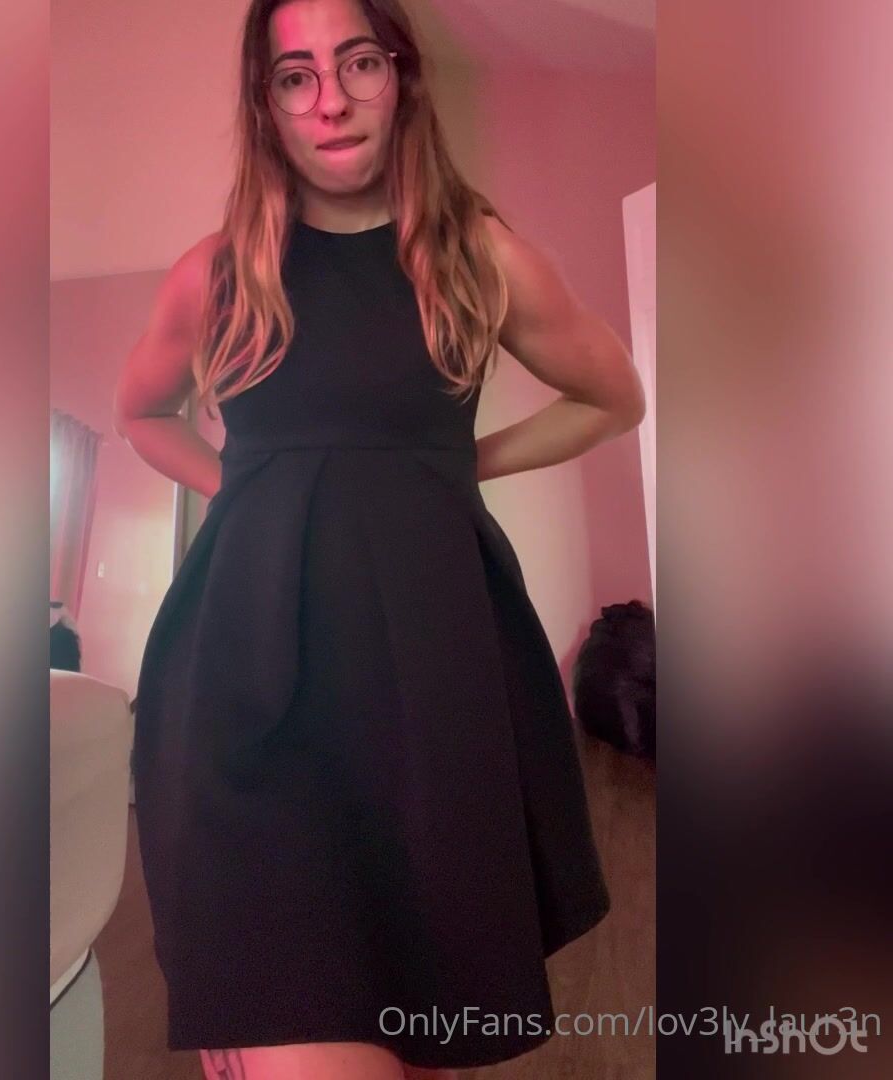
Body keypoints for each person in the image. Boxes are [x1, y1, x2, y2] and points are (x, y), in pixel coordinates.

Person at [113, 2, 645, 1077]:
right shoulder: (216, 274)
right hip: (248, 692)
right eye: (294, 75)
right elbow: (141, 412)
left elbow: (613, 396)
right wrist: (251, 494)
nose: (330, 100)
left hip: (435, 692)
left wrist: (452, 469)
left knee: (422, 1023)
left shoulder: (480, 257)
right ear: (265, 104)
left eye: (358, 61)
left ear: (401, 76)